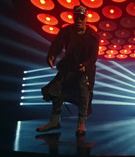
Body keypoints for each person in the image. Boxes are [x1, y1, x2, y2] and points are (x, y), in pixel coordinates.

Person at [36, 5, 100, 136]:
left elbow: (93, 56)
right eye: (77, 17)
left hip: (84, 70)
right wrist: (52, 55)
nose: (79, 20)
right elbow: (57, 44)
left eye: (82, 17)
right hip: (69, 67)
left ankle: (81, 123)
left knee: (83, 92)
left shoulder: (93, 35)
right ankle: (54, 121)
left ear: (86, 18)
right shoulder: (66, 31)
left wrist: (86, 65)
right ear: (73, 17)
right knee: (57, 89)